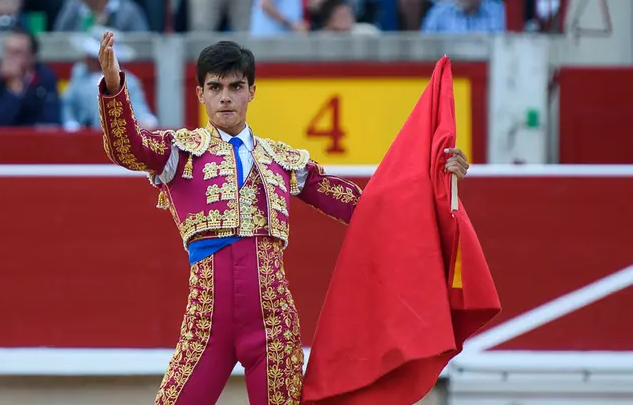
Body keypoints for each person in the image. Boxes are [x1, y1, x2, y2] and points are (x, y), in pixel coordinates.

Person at [96, 32, 469, 405]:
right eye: (215, 87)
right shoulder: (181, 152)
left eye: (235, 86)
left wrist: (435, 176)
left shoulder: (283, 161)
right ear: (200, 94)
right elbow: (126, 146)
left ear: (252, 92)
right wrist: (114, 86)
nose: (225, 96)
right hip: (206, 323)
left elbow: (363, 207)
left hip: (273, 323)